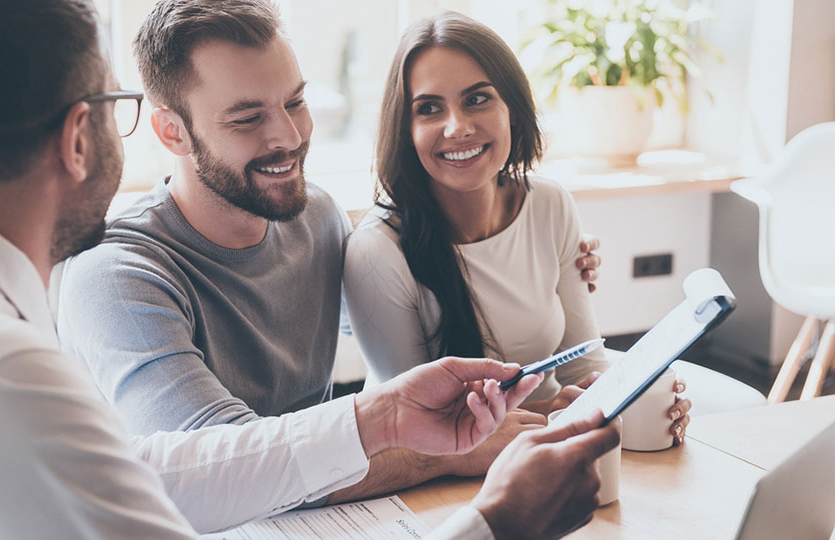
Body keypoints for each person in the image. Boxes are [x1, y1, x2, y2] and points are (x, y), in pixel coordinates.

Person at [0, 0, 622, 538]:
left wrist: (384, 417)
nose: (288, 135)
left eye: (295, 103)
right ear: (82, 134)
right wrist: (496, 523)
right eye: (116, 106)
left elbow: (170, 471)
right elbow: (181, 483)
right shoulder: (4, 372)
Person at [56, 0, 604, 503]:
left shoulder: (314, 217)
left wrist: (549, 262)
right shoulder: (117, 277)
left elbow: (389, 302)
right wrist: (443, 451)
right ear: (171, 132)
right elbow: (226, 468)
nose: (290, 136)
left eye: (296, 101)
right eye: (247, 118)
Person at [343, 12, 691, 441]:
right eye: (429, 109)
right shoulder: (377, 251)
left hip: (547, 447)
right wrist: (554, 413)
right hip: (431, 476)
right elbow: (421, 429)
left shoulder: (549, 204)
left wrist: (633, 399)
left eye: (477, 99)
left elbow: (584, 365)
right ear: (405, 129)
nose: (458, 127)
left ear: (512, 108)